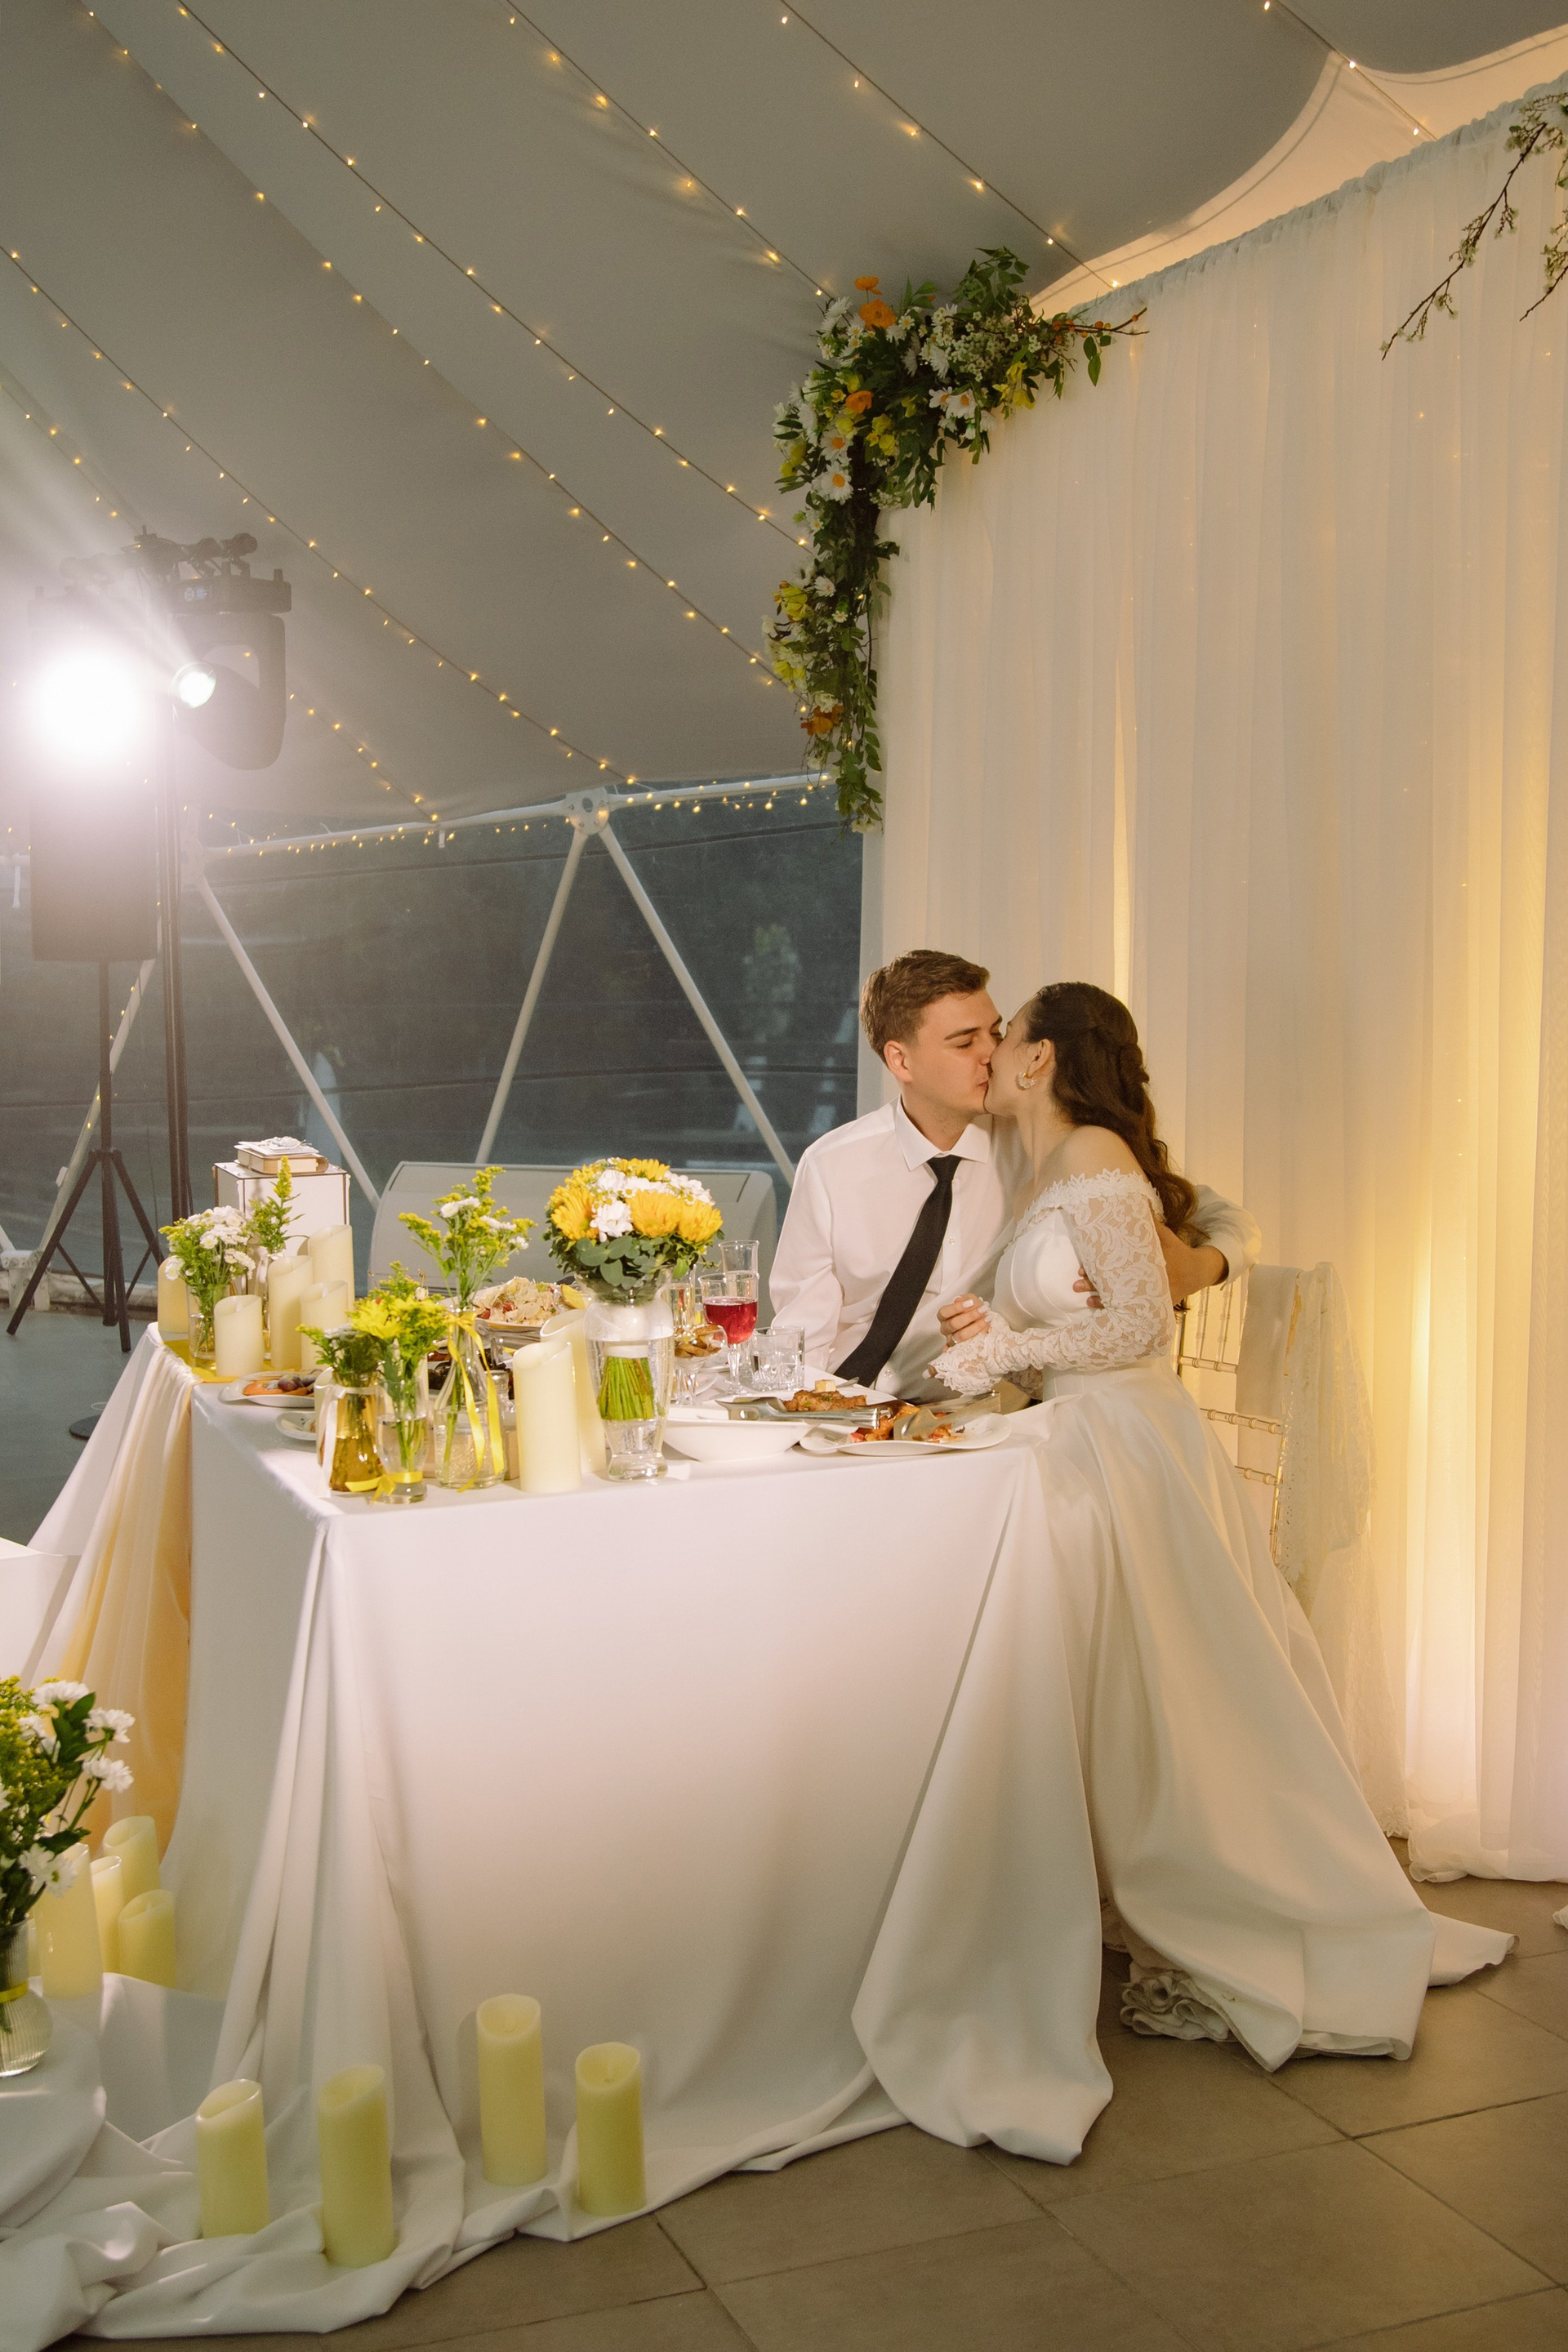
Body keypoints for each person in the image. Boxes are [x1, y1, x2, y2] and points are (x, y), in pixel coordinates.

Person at [924, 978, 1509, 2060]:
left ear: (1043, 1058)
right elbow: (1077, 1316)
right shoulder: (1047, 1167)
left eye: (1007, 1036)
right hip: (1083, 1434)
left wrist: (1006, 1348)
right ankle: (1107, 1882)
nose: (993, 1051)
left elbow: (1142, 1325)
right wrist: (994, 1337)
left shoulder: (1094, 1154)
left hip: (1127, 1445)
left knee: (1163, 1688)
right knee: (1115, 1680)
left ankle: (1209, 1899)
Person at [770, 948, 1258, 1398]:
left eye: (997, 1033)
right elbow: (802, 1334)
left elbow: (1220, 1217)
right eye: (965, 1042)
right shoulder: (832, 1165)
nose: (990, 1053)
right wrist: (807, 1419)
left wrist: (1202, 1266)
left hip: (975, 1420)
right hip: (842, 1407)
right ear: (900, 1060)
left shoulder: (1046, 1144)